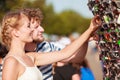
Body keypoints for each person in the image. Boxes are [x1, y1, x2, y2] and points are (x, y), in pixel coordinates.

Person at [1, 9, 100, 80]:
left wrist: (89, 31)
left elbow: (65, 53)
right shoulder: (11, 61)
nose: (32, 29)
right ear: (16, 32)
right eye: (28, 26)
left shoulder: (31, 57)